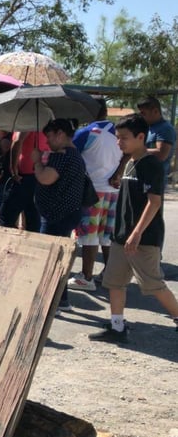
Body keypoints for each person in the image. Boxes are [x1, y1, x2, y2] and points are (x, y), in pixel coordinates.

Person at [88, 114, 178, 342]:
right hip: (121, 236)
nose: (119, 143)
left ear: (140, 137)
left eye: (124, 138)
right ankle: (117, 327)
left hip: (144, 238)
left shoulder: (151, 165)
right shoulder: (129, 162)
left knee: (153, 285)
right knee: (114, 282)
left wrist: (137, 234)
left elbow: (154, 202)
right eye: (118, 138)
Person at [32, 119, 88, 312]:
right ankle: (61, 300)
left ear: (60, 134)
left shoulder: (63, 155)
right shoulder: (74, 155)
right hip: (65, 213)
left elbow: (45, 178)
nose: (47, 142)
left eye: (49, 136)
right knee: (58, 258)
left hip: (57, 215)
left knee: (52, 259)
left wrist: (37, 162)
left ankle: (50, 301)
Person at [68, 101, 122, 291]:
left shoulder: (86, 132)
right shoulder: (118, 131)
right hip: (113, 190)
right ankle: (109, 274)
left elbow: (70, 154)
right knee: (106, 235)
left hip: (92, 190)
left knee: (89, 234)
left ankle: (86, 277)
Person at [0, 130, 49, 231]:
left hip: (25, 175)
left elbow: (17, 141)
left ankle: (9, 242)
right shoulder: (44, 125)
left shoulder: (27, 123)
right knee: (32, 215)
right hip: (38, 173)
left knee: (7, 215)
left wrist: (13, 169)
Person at [137, 96, 176, 188]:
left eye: (143, 113)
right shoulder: (149, 127)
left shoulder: (165, 129)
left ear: (155, 111)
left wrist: (135, 150)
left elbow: (161, 154)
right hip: (143, 177)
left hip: (155, 180)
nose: (141, 116)